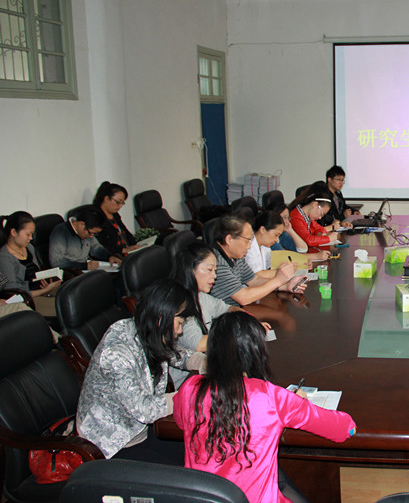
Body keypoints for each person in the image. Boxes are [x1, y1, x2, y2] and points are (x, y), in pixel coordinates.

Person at [174, 312, 356, 503]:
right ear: (254, 351)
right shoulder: (271, 397)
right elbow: (345, 429)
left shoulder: (190, 388)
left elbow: (180, 420)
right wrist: (300, 403)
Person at [76, 279, 204, 464]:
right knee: (185, 467)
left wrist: (205, 363)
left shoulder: (148, 330)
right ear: (161, 317)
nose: (179, 331)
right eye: (179, 323)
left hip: (141, 429)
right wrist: (190, 395)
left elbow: (176, 354)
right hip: (113, 442)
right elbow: (145, 409)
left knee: (199, 450)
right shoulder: (117, 353)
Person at [209, 213, 305, 307]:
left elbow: (254, 280)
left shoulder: (236, 257)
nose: (249, 246)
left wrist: (285, 286)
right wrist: (278, 280)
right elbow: (243, 298)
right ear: (229, 239)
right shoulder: (216, 263)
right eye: (247, 241)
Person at [0, 211, 62, 315]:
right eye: (28, 234)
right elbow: (12, 292)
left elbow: (36, 272)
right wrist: (44, 291)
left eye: (32, 234)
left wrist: (45, 282)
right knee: (66, 306)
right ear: (14, 232)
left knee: (73, 293)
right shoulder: (4, 257)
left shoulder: (29, 247)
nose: (31, 238)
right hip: (28, 298)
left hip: (41, 290)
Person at [49, 206, 122, 270]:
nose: (91, 236)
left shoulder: (88, 231)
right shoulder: (60, 232)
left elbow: (96, 249)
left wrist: (109, 257)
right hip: (71, 272)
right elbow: (56, 262)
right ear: (81, 225)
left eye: (95, 234)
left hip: (85, 270)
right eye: (91, 233)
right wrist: (84, 266)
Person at [93, 181, 140, 255]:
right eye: (118, 202)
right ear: (106, 198)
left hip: (127, 251)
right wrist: (123, 250)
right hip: (114, 255)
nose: (120, 206)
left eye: (122, 203)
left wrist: (137, 245)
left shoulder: (115, 215)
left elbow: (125, 232)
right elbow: (100, 246)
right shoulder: (95, 217)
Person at [289, 185, 340, 252]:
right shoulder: (295, 217)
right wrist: (329, 238)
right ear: (315, 205)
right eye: (321, 213)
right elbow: (308, 240)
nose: (320, 218)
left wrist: (320, 233)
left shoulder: (306, 216)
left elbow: (320, 228)